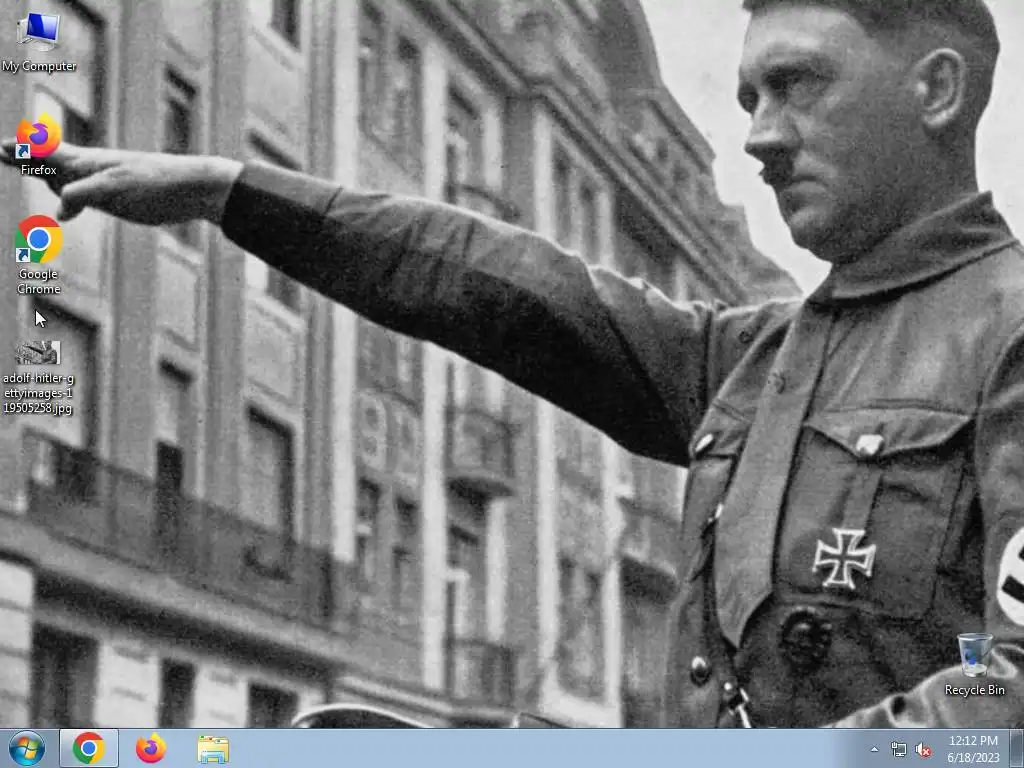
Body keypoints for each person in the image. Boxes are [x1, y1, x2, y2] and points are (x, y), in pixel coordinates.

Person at [3, 0, 1022, 729]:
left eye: (796, 86)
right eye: (750, 95)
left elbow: (1010, 696)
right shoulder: (761, 357)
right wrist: (233, 192)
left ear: (934, 89)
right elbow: (501, 287)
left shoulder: (1006, 330)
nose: (759, 136)